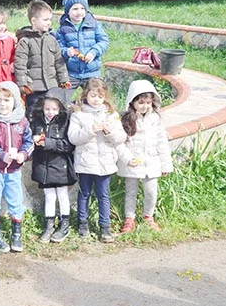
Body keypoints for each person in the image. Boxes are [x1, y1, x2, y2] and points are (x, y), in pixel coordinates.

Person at [68, 78, 126, 243]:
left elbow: (121, 137)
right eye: (93, 96)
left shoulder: (112, 115)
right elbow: (73, 138)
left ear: (105, 97)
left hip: (105, 163)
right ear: (85, 95)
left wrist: (109, 132)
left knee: (103, 195)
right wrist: (90, 130)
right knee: (84, 193)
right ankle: (82, 222)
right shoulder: (78, 115)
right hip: (85, 162)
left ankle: (105, 226)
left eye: (100, 97)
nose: (96, 100)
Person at [0, 81, 33, 253]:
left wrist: (23, 154)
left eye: (7, 100)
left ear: (15, 101)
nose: (3, 104)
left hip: (14, 171)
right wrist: (1, 155)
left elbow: (29, 142)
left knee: (16, 201)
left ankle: (16, 233)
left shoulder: (21, 121)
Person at [117, 80, 173, 233]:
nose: (145, 106)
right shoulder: (126, 119)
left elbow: (162, 141)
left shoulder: (155, 118)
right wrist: (127, 159)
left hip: (151, 162)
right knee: (131, 192)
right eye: (141, 103)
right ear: (132, 102)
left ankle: (148, 216)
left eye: (148, 103)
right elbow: (120, 142)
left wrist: (165, 165)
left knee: (151, 191)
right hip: (133, 162)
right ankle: (129, 218)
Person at [30, 88, 77, 243]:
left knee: (62, 194)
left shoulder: (65, 121)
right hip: (43, 165)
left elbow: (68, 145)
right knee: (49, 195)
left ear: (60, 108)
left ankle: (64, 224)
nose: (50, 112)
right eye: (47, 109)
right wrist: (34, 141)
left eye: (54, 109)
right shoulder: (36, 120)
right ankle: (49, 225)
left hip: (60, 164)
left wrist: (47, 143)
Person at [14, 0, 69, 118]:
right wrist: (22, 83)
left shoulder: (52, 40)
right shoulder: (25, 41)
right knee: (33, 113)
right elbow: (20, 64)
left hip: (51, 86)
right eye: (45, 20)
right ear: (34, 20)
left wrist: (64, 79)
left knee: (53, 113)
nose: (49, 22)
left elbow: (59, 61)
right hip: (33, 87)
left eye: (50, 19)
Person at [56, 0, 110, 96]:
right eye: (75, 9)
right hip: (71, 73)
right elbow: (59, 47)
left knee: (97, 97)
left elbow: (104, 41)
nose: (79, 12)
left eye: (82, 8)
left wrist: (94, 52)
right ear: (68, 11)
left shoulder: (94, 24)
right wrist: (66, 52)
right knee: (61, 97)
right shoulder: (63, 29)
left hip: (92, 71)